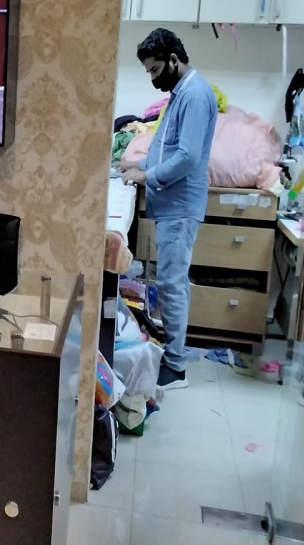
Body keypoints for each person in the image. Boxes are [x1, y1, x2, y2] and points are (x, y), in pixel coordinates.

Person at [118, 28, 217, 391]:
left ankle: (176, 367)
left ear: (174, 60)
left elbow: (187, 157)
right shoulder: (180, 94)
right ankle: (171, 355)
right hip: (171, 205)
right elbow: (167, 147)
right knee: (169, 282)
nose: (153, 78)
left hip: (180, 206)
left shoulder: (195, 95)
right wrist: (136, 166)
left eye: (156, 70)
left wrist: (147, 176)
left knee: (173, 285)